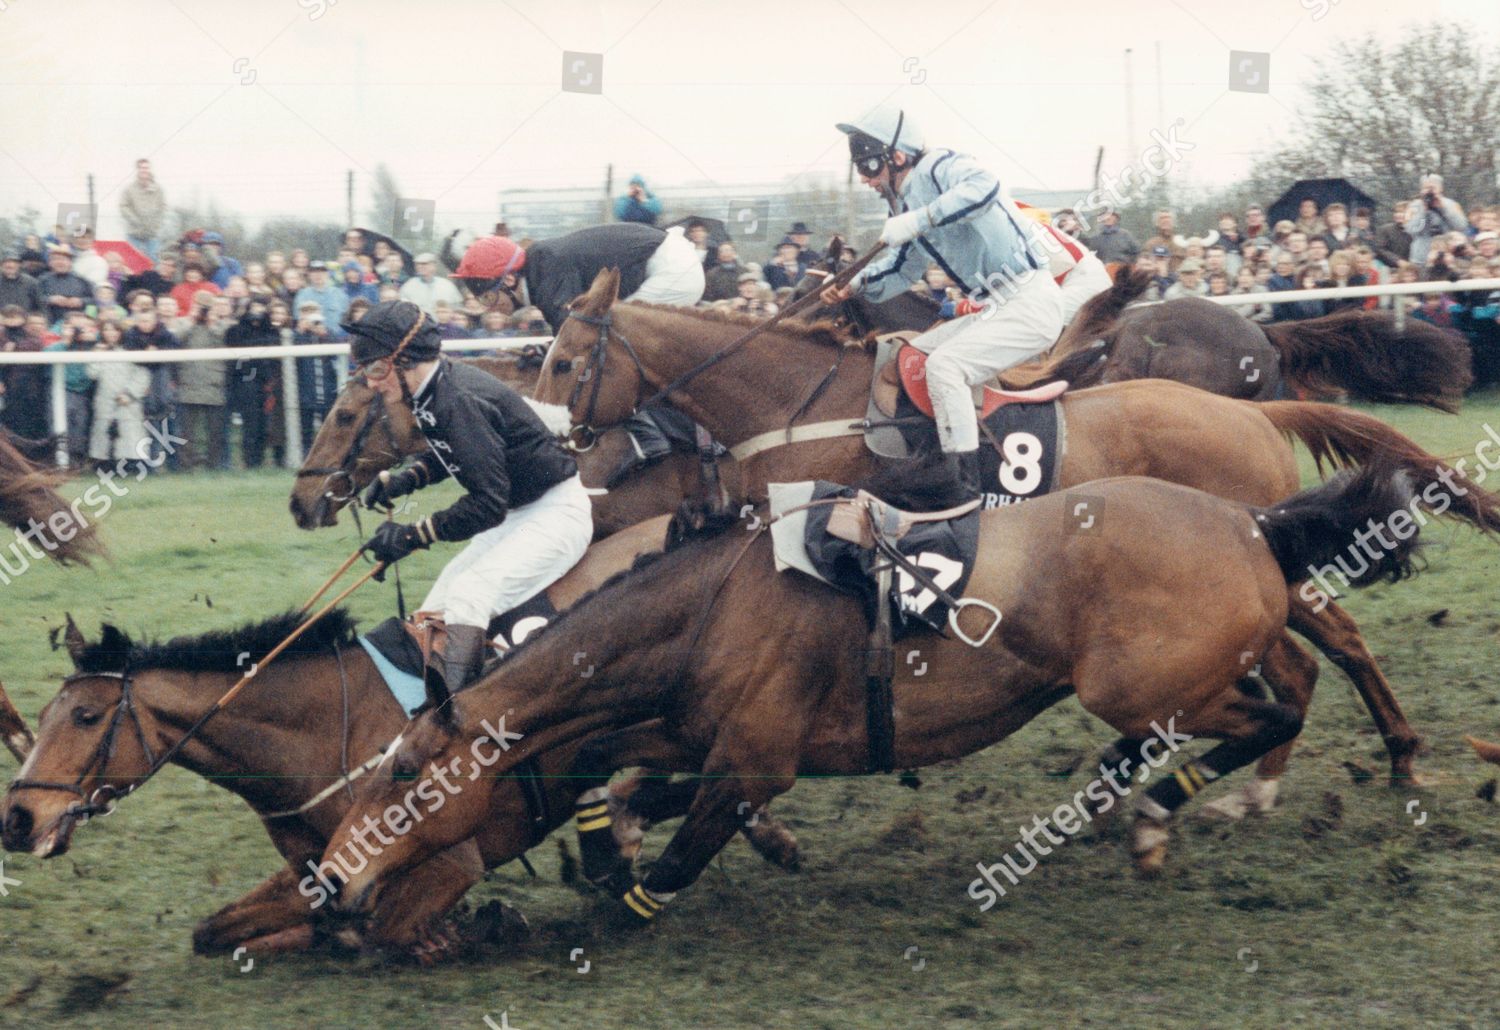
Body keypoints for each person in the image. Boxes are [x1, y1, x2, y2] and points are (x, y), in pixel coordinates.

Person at [821, 104, 1063, 502]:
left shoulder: (938, 166)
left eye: (868, 167)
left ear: (896, 156)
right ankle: (936, 450)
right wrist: (853, 285)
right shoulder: (900, 205)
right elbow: (902, 268)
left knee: (944, 366)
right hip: (995, 307)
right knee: (911, 357)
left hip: (1029, 299)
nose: (865, 180)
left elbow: (985, 187)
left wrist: (921, 219)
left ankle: (962, 487)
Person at [352, 301, 592, 694]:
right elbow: (460, 452)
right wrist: (405, 480)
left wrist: (412, 536)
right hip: (523, 513)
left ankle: (455, 720)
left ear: (405, 358)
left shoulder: (455, 398)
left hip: (555, 515)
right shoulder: (434, 389)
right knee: (437, 604)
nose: (373, 383)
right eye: (366, 372)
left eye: (376, 370)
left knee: (469, 593)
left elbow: (487, 504)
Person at [451, 223, 705, 333]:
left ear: (508, 280)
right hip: (665, 261)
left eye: (487, 296)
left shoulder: (545, 273)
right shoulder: (542, 268)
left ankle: (648, 439)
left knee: (615, 338)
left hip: (671, 268)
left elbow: (573, 334)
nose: (489, 307)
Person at [1404, 175, 1468, 265]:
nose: (1429, 191)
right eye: (1426, 188)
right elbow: (1411, 230)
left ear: (1440, 188)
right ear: (1421, 190)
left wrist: (1443, 208)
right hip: (1421, 259)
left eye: (1432, 188)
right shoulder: (1414, 206)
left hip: (1448, 258)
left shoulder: (1451, 204)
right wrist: (1423, 211)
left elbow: (1461, 226)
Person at [119, 159, 167, 261]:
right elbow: (123, 206)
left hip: (152, 234)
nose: (144, 170)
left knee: (153, 260)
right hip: (134, 233)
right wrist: (134, 220)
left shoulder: (158, 189)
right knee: (133, 260)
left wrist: (157, 223)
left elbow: (163, 207)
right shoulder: (129, 189)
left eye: (146, 168)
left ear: (150, 169)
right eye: (141, 168)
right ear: (137, 170)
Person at [38, 246, 93, 326]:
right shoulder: (42, 280)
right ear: (50, 263)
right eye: (56, 259)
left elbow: (94, 300)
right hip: (50, 323)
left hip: (76, 325)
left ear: (70, 262)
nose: (60, 262)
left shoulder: (82, 281)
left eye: (63, 259)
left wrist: (81, 301)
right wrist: (50, 300)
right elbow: (35, 299)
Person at [398, 252, 463, 316]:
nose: (420, 267)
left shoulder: (447, 285)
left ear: (433, 266)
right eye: (418, 264)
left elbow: (457, 307)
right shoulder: (409, 286)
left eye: (424, 264)